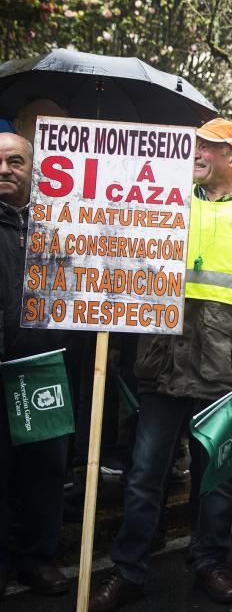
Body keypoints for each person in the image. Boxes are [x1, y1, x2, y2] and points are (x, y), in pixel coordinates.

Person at [89, 119, 232, 610]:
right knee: (144, 473)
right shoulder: (164, 198)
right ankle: (129, 570)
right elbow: (126, 264)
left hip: (225, 372)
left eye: (209, 147)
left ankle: (209, 563)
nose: (196, 151)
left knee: (217, 478)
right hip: (162, 364)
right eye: (196, 144)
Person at [0, 133, 73, 598]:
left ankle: (37, 560)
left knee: (46, 469)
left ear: (33, 170)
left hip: (44, 365)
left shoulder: (58, 224)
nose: (5, 169)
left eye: (15, 161)